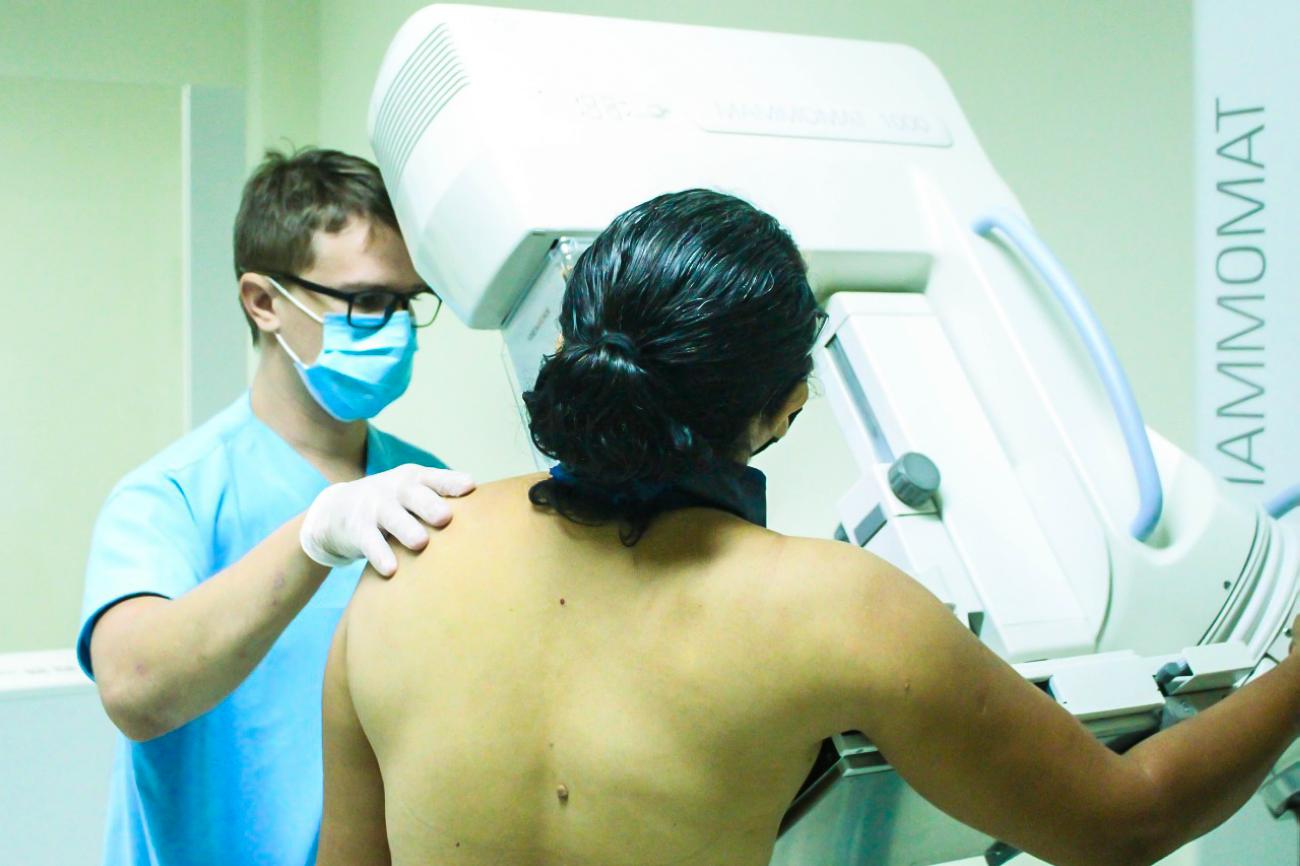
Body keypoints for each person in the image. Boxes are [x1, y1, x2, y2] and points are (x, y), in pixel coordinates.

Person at [317, 189, 1300, 866]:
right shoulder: (840, 610)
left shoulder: (403, 565)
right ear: (788, 404)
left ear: (569, 345)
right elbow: (1124, 822)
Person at [79, 147, 474, 866]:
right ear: (263, 301)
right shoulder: (171, 496)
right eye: (366, 302)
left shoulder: (422, 486)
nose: (394, 328)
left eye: (406, 302)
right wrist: (312, 539)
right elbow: (136, 690)